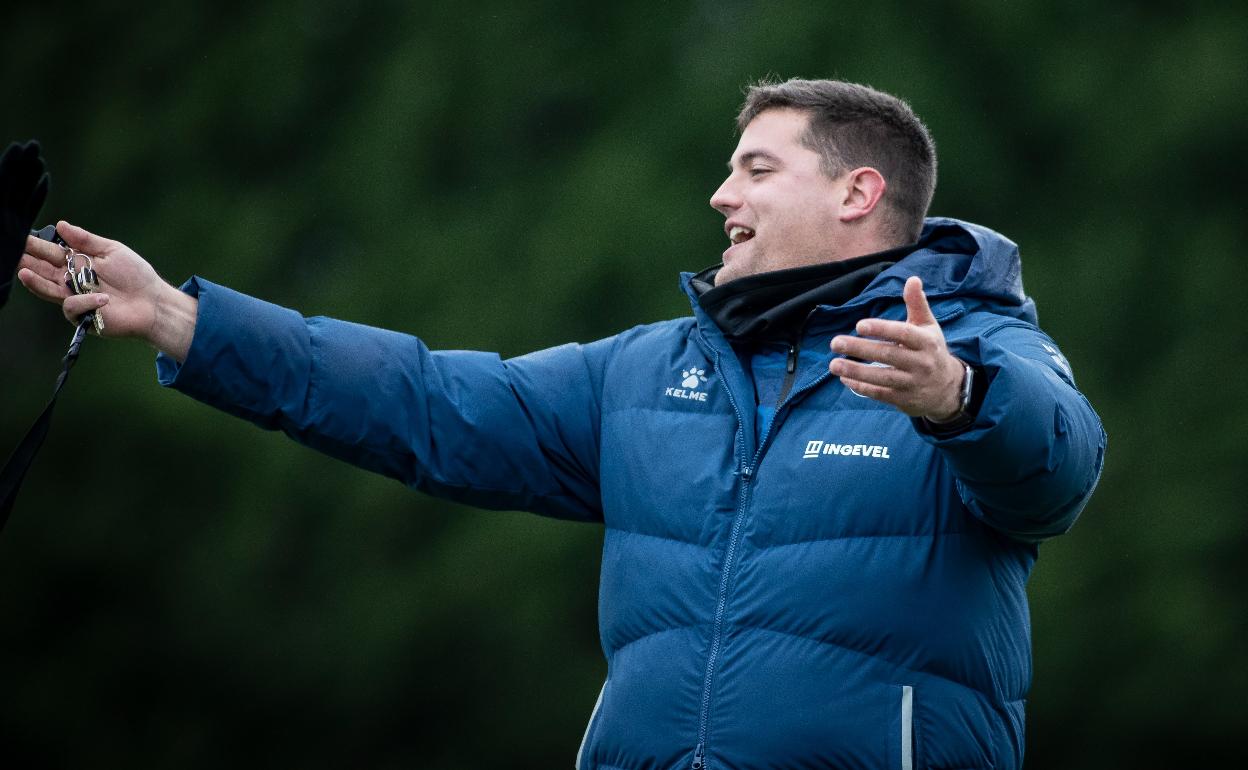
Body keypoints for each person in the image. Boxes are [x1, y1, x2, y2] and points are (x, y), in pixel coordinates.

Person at [16, 78, 1105, 770]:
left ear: (858, 193)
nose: (721, 195)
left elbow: (1058, 470)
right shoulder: (649, 370)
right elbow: (425, 400)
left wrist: (959, 400)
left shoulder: (972, 346)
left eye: (756, 169)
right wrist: (186, 321)